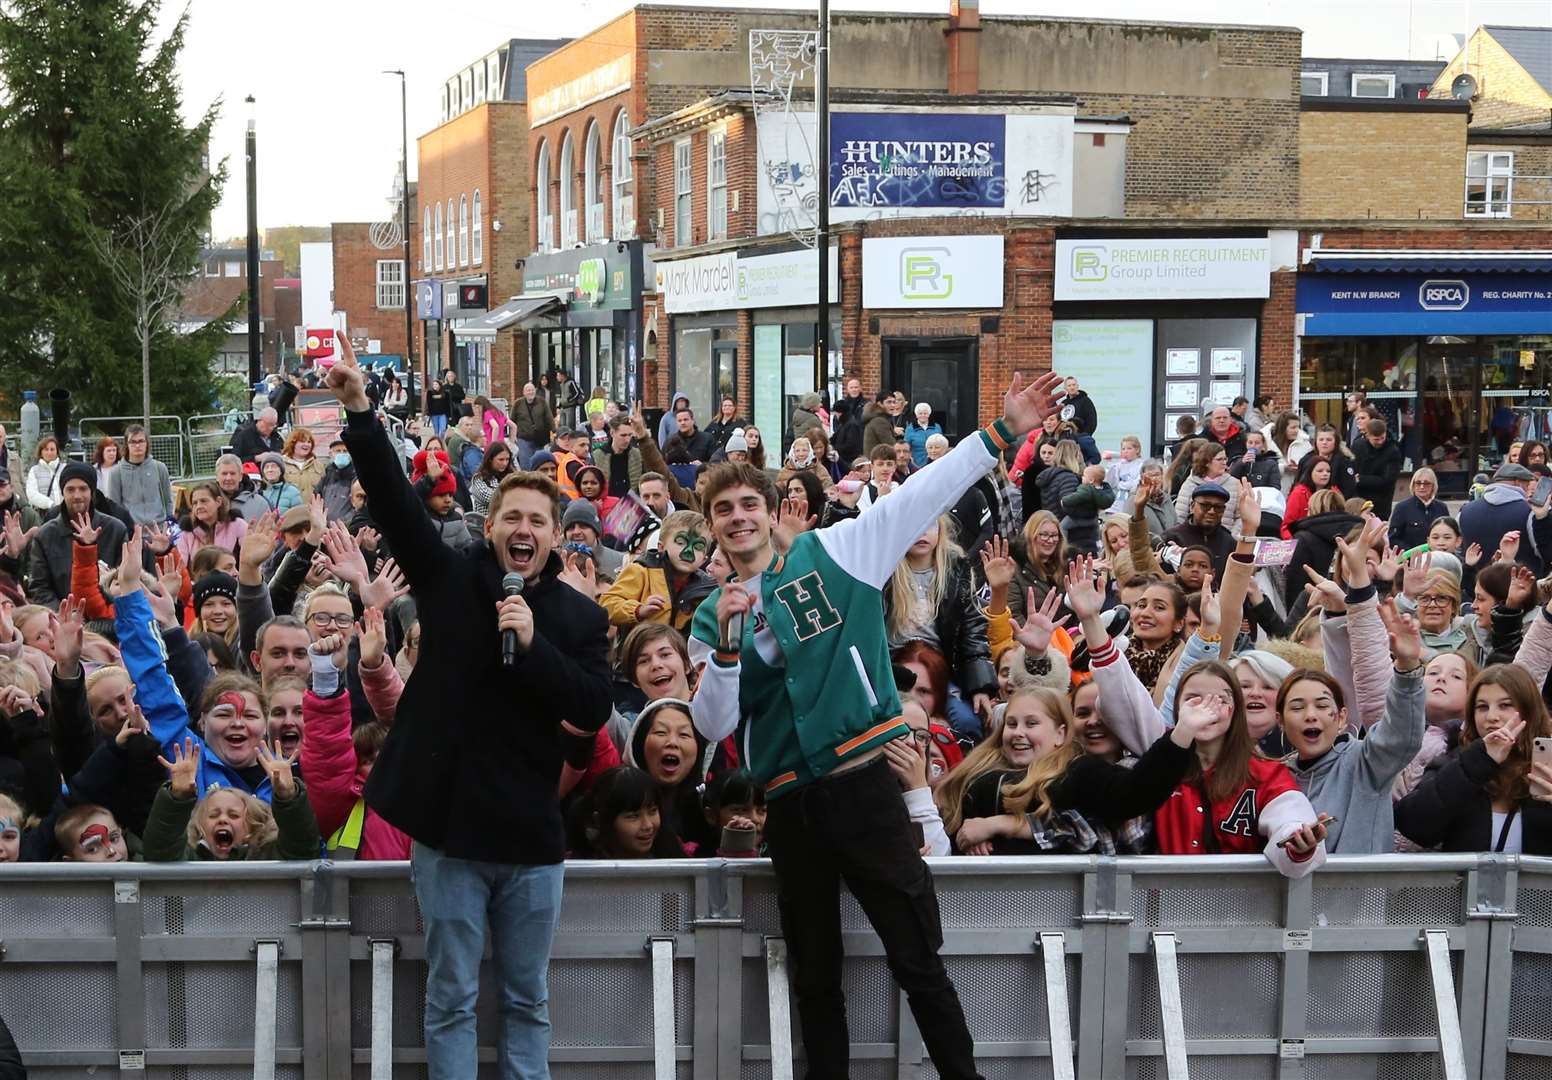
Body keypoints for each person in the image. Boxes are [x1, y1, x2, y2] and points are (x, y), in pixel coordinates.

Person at [687, 370, 1063, 1080]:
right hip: (791, 801)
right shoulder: (711, 615)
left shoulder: (838, 552)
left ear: (773, 511)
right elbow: (713, 721)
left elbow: (926, 491)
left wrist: (1004, 432)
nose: (737, 517)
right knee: (816, 977)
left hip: (863, 783)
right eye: (722, 510)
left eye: (747, 504)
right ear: (710, 525)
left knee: (917, 957)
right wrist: (730, 649)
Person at [324, 334, 613, 1080]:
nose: (524, 531)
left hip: (530, 839)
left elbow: (591, 705)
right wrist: (360, 411)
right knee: (450, 996)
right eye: (511, 518)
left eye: (538, 523)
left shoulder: (579, 620)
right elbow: (392, 499)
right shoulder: (451, 581)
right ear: (491, 527)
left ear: (553, 538)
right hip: (450, 835)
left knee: (527, 999)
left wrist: (534, 643)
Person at [1395, 665, 1552, 853]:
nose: (1492, 717)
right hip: (1468, 883)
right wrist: (1478, 762)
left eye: (1505, 705)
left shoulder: (1547, 764)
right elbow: (1413, 825)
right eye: (1482, 707)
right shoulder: (1457, 760)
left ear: (1529, 712)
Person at [27, 464, 128, 608]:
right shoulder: (45, 536)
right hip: (63, 621)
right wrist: (64, 614)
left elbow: (127, 582)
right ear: (62, 492)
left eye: (83, 488)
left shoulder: (115, 530)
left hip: (108, 618)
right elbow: (39, 587)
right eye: (70, 489)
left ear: (92, 491)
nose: (77, 495)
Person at [1460, 462, 1552, 575]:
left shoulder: (1465, 510)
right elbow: (1547, 554)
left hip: (1479, 586)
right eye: (1527, 485)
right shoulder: (1530, 512)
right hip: (1522, 585)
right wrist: (1543, 518)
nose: (1529, 490)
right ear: (1518, 482)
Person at [176, 482, 247, 562]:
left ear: (218, 502)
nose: (199, 506)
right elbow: (179, 567)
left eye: (204, 501)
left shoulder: (238, 525)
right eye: (195, 503)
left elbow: (249, 560)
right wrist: (165, 550)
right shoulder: (187, 532)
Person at [1352, 417, 1404, 519]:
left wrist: (1360, 479)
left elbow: (1388, 480)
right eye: (1376, 439)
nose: (1380, 442)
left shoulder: (1392, 451)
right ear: (1367, 436)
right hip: (1359, 498)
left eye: (1382, 438)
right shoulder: (1358, 446)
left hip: (1381, 501)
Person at [1389, 466, 1448, 551]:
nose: (1421, 487)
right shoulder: (1402, 508)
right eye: (1418, 483)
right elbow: (1393, 539)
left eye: (1426, 483)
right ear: (1413, 485)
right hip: (1410, 560)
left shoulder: (1442, 507)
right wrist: (1413, 553)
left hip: (1437, 557)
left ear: (1433, 486)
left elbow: (1448, 534)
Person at [1282, 455, 1337, 538]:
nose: (1325, 474)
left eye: (1328, 471)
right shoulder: (1298, 493)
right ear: (1310, 472)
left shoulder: (1335, 492)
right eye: (1320, 471)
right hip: (1303, 540)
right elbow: (1286, 527)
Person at [592, 416, 643, 499]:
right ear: (612, 433)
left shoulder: (636, 454)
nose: (627, 440)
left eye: (630, 435)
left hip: (631, 502)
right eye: (623, 435)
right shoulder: (599, 455)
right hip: (607, 503)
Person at [510, 383, 553, 470]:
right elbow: (512, 421)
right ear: (524, 392)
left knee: (540, 463)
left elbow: (549, 417)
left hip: (539, 438)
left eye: (532, 390)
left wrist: (554, 431)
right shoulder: (518, 404)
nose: (531, 392)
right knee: (525, 464)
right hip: (523, 438)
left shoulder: (542, 402)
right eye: (528, 390)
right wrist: (512, 436)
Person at [468, 441, 515, 517]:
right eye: (501, 459)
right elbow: (491, 498)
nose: (505, 463)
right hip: (487, 521)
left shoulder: (511, 475)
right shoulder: (479, 478)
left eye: (507, 459)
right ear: (490, 459)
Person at [281, 428, 326, 504]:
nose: (306, 444)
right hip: (290, 512)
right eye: (302, 441)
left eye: (309, 442)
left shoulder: (319, 465)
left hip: (313, 511)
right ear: (293, 443)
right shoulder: (281, 464)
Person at [25, 436, 64, 512]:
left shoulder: (65, 468)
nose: (49, 452)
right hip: (45, 514)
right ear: (41, 452)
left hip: (64, 512)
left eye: (52, 449)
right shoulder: (34, 471)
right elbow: (32, 494)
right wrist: (50, 504)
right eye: (46, 449)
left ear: (57, 452)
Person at [905, 402, 942, 468]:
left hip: (935, 462)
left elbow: (941, 443)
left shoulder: (937, 427)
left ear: (929, 414)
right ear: (916, 415)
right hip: (917, 463)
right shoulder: (910, 429)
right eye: (920, 413)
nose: (923, 415)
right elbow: (906, 446)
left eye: (925, 413)